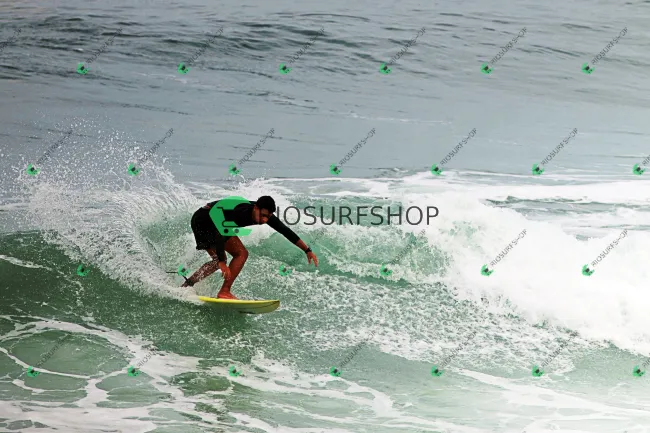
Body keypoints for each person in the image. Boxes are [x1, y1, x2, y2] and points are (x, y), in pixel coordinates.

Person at [181, 195, 318, 299]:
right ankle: (224, 292)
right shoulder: (241, 213)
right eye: (263, 216)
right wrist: (222, 261)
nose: (264, 220)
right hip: (204, 220)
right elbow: (220, 232)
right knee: (240, 254)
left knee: (219, 261)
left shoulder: (264, 214)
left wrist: (307, 250)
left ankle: (186, 286)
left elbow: (285, 230)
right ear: (256, 208)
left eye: (268, 217)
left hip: (208, 219)